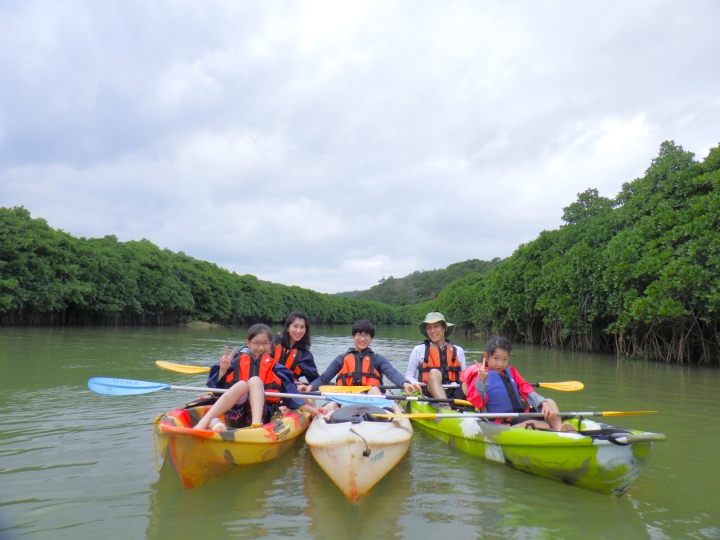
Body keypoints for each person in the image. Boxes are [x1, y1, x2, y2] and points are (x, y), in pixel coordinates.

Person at [195, 323, 325, 431]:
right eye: (256, 343)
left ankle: (255, 425)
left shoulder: (277, 369)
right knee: (241, 384)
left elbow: (292, 397)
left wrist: (314, 411)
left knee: (254, 381)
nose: (261, 347)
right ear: (248, 343)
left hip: (261, 415)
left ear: (270, 345)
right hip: (234, 414)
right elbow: (216, 390)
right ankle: (203, 423)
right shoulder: (233, 363)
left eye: (265, 343)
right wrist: (223, 370)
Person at [461, 336, 575, 431]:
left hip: (519, 415)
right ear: (486, 356)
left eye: (505, 359)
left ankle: (560, 429)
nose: (500, 364)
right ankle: (556, 432)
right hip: (500, 423)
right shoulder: (479, 375)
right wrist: (481, 381)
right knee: (543, 425)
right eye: (496, 358)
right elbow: (477, 402)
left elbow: (525, 388)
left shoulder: (511, 372)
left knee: (549, 402)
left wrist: (542, 403)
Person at [298, 320, 416, 397]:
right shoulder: (341, 359)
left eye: (366, 335)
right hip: (347, 395)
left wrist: (404, 383)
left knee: (374, 390)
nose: (362, 339)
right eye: (359, 335)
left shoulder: (378, 359)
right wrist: (310, 387)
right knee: (334, 403)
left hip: (371, 396)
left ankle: (381, 412)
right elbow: (325, 377)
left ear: (371, 338)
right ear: (353, 337)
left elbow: (392, 373)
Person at [404, 312, 466, 401]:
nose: (432, 331)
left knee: (473, 375)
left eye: (436, 326)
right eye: (429, 328)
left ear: (444, 328)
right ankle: (446, 407)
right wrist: (416, 384)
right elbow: (409, 376)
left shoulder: (458, 350)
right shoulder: (419, 350)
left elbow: (464, 378)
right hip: (429, 393)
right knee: (434, 373)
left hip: (455, 393)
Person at [271, 311, 319, 383]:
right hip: (267, 386)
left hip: (289, 388)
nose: (298, 331)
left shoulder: (305, 355)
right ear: (287, 328)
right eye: (295, 326)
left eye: (302, 327)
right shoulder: (272, 344)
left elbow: (314, 379)